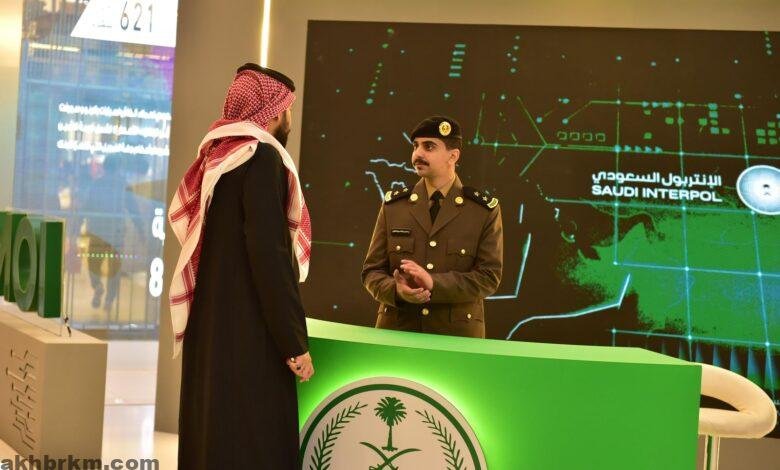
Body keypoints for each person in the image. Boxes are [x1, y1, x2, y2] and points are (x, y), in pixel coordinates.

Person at [168, 63, 314, 469]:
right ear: (274, 111)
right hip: (249, 334)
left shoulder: (216, 158)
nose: (289, 119)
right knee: (252, 441)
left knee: (211, 436)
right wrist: (294, 343)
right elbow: (269, 257)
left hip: (210, 329)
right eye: (288, 109)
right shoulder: (260, 157)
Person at [362, 115, 503, 338]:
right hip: (397, 333)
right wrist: (396, 291)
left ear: (453, 156)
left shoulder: (483, 210)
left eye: (429, 147)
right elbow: (371, 272)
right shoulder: (394, 205)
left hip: (455, 338)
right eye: (415, 146)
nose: (417, 154)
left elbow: (488, 277)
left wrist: (434, 283)